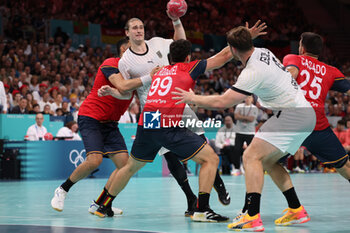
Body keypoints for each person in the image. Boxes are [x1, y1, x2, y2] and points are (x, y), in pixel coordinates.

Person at [96, 17, 266, 216]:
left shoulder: (158, 72)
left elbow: (129, 89)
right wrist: (245, 39)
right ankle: (202, 210)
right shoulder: (189, 67)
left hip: (147, 120)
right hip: (166, 122)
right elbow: (223, 56)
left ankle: (104, 205)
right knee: (210, 158)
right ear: (188, 58)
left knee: (131, 167)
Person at [173, 26, 316, 231]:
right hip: (304, 114)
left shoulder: (251, 73)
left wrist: (192, 98)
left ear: (232, 48)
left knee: (250, 156)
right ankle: (295, 209)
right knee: (269, 162)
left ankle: (251, 215)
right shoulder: (264, 52)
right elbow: (231, 52)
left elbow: (223, 102)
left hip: (291, 114)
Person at [50, 37, 136, 216]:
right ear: (121, 51)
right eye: (128, 48)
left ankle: (101, 203)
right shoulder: (110, 64)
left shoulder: (135, 74)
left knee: (125, 167)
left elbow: (129, 92)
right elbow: (122, 88)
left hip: (111, 124)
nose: (133, 51)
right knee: (94, 160)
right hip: (91, 117)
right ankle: (63, 189)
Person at [283, 32, 350, 183]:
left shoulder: (293, 58)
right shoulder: (331, 71)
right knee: (344, 166)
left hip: (292, 125)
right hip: (318, 127)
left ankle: (292, 204)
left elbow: (290, 75)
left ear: (302, 48)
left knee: (260, 159)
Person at [233, 95, 258, 175]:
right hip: (239, 132)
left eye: (249, 97)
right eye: (246, 97)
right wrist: (246, 117)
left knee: (251, 151)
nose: (247, 99)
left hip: (250, 133)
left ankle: (251, 167)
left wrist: (241, 116)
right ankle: (237, 168)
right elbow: (236, 116)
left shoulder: (254, 108)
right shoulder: (239, 106)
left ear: (252, 99)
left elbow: (252, 119)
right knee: (236, 150)